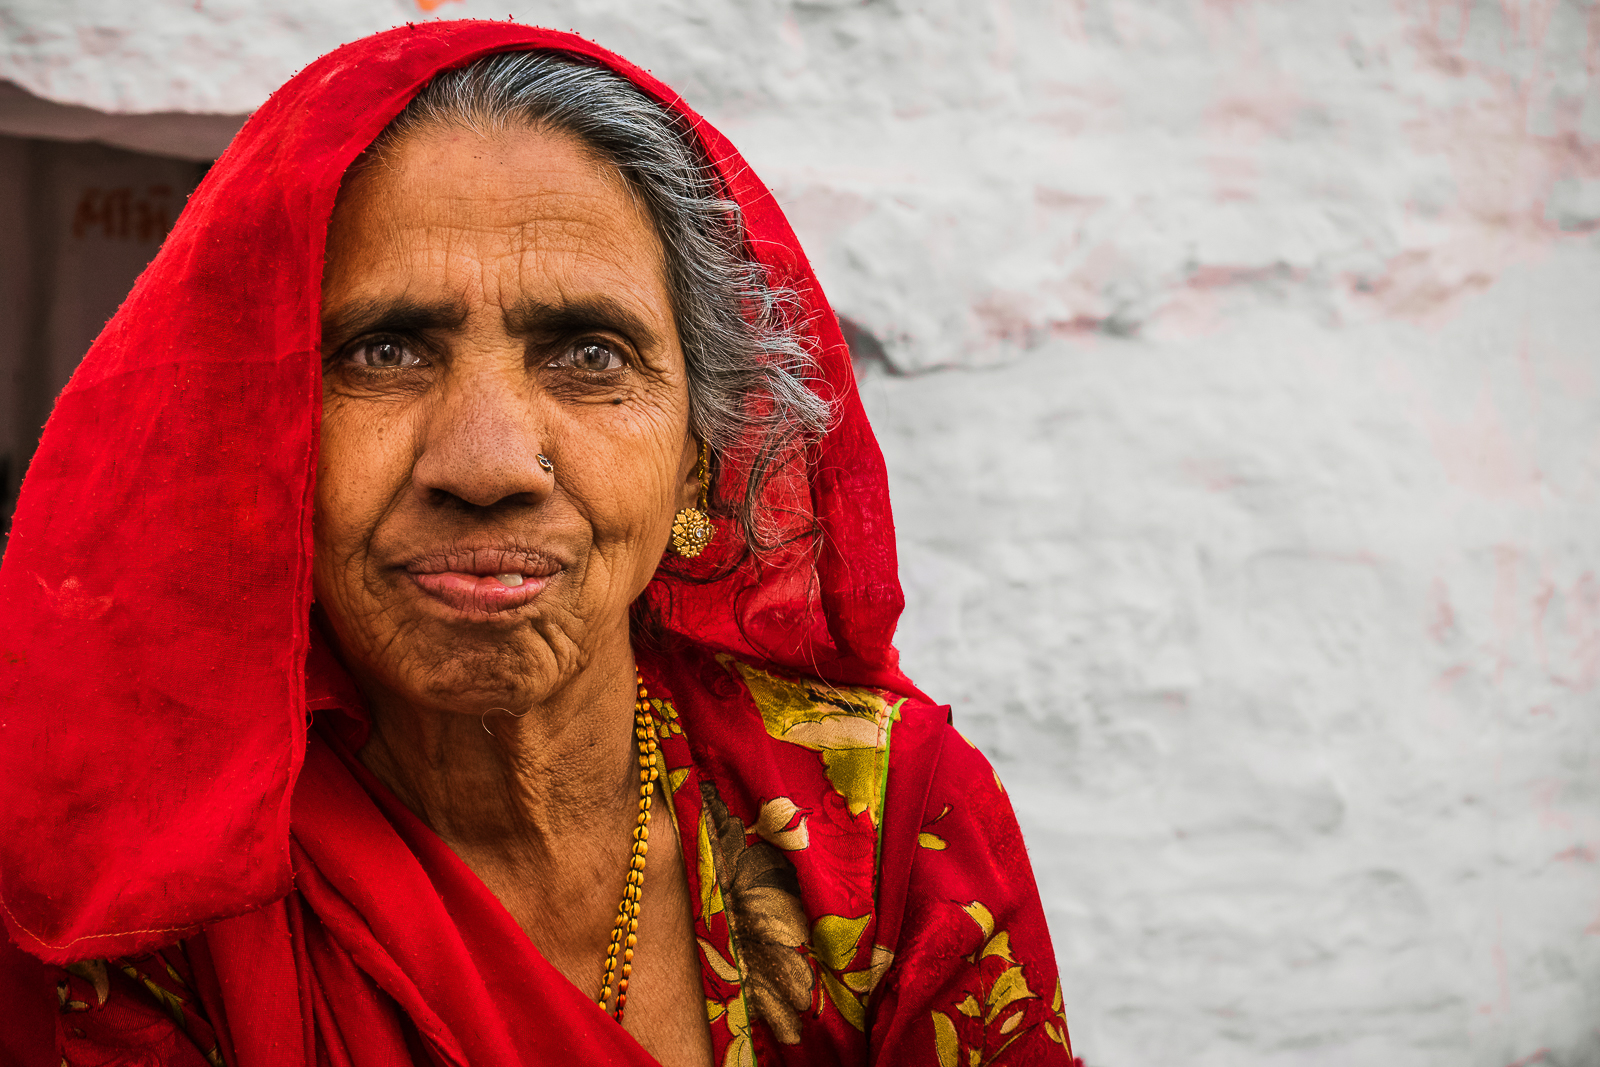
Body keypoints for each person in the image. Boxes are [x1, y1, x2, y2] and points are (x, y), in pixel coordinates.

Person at [0, 21, 1075, 1067]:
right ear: (258, 442)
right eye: (384, 350)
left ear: (702, 453)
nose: (487, 463)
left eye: (590, 354)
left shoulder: (884, 828)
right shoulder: (133, 893)